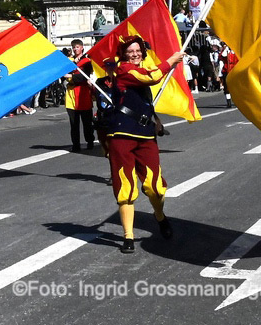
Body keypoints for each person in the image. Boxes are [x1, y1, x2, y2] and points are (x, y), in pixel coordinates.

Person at [106, 34, 183, 253]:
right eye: (130, 51)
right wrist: (172, 60)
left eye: (138, 50)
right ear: (123, 54)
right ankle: (128, 237)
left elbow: (144, 101)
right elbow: (151, 77)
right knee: (126, 185)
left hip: (146, 135)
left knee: (155, 187)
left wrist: (155, 120)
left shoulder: (139, 71)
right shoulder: (124, 70)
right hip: (122, 134)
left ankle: (160, 217)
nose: (135, 54)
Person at [64, 39, 95, 152]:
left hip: (83, 93)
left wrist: (71, 76)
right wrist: (70, 72)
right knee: (74, 123)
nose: (75, 49)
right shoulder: (69, 61)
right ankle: (75, 145)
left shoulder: (86, 61)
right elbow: (63, 73)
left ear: (82, 48)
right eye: (74, 47)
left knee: (87, 122)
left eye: (77, 47)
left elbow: (84, 77)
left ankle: (90, 141)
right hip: (71, 95)